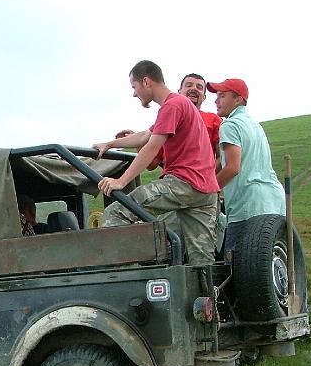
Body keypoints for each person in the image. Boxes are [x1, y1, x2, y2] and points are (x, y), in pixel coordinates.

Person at [93, 60, 219, 265]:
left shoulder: (172, 105)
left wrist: (121, 181)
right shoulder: (180, 104)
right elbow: (145, 135)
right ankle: (207, 286)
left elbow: (151, 147)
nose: (134, 94)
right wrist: (109, 144)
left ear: (146, 81)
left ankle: (129, 275)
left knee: (115, 212)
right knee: (201, 258)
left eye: (134, 87)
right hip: (206, 191)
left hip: (183, 183)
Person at [206, 78, 285, 254]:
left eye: (222, 96)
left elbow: (233, 167)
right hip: (274, 201)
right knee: (268, 259)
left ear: (238, 99)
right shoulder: (255, 125)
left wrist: (208, 191)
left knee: (237, 263)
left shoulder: (230, 125)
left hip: (248, 204)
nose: (216, 101)